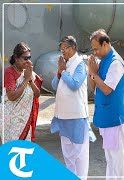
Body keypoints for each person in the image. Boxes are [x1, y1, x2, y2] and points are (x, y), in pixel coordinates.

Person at [88, 29, 124, 179]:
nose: (95, 52)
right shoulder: (104, 60)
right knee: (111, 160)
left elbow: (106, 89)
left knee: (117, 161)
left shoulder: (115, 63)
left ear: (105, 44)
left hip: (113, 120)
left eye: (96, 48)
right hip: (106, 118)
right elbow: (94, 87)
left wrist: (94, 73)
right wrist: (92, 72)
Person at [51, 36, 89, 179]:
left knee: (79, 154)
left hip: (77, 117)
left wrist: (64, 71)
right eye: (61, 49)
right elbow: (55, 85)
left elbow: (74, 84)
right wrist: (60, 72)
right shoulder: (65, 64)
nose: (63, 51)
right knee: (68, 154)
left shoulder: (80, 64)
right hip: (63, 116)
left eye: (65, 48)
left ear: (73, 48)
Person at [4, 42, 42, 143]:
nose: (28, 61)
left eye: (29, 58)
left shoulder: (29, 72)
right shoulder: (10, 72)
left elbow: (37, 95)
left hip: (25, 122)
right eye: (25, 58)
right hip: (11, 122)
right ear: (16, 58)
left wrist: (31, 80)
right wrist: (25, 80)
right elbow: (12, 96)